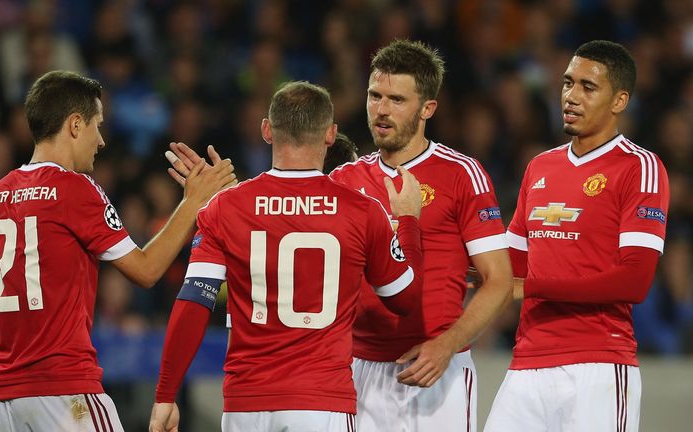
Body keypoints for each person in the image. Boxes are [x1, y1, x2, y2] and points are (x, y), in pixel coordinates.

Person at [165, 40, 513, 432]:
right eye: (374, 96)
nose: (381, 110)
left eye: (397, 99)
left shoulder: (461, 173)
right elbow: (279, 218)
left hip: (434, 369)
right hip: (355, 370)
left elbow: (498, 281)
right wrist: (213, 197)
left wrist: (447, 346)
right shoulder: (345, 180)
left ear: (427, 108)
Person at [148, 81, 424, 432]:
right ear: (330, 135)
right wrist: (409, 222)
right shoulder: (363, 212)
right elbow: (406, 299)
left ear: (266, 130)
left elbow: (192, 304)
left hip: (246, 405)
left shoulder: (225, 208)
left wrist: (165, 395)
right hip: (320, 404)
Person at [0, 70, 235, 431]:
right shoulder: (74, 188)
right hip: (63, 392)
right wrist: (193, 202)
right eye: (97, 125)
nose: (101, 140)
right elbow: (145, 270)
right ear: (75, 125)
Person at [484, 40, 669, 432]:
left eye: (588, 87)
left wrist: (530, 286)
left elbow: (634, 281)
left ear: (619, 101)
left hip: (598, 365)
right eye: (568, 83)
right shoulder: (539, 167)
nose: (571, 96)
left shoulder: (640, 168)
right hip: (527, 363)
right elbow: (508, 270)